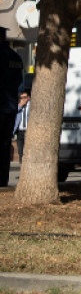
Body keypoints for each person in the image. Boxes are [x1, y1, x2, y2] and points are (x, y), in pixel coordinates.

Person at [0, 27, 23, 187]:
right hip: (10, 107)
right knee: (5, 144)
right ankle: (3, 179)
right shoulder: (16, 57)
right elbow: (19, 84)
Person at [13, 90, 30, 162]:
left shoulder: (31, 106)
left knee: (28, 151)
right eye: (21, 98)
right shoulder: (18, 106)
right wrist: (20, 105)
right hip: (19, 131)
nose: (23, 99)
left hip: (28, 131)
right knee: (20, 151)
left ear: (28, 98)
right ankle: (21, 164)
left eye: (24, 97)